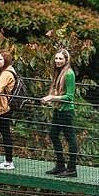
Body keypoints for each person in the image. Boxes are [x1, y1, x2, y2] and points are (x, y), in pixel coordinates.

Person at [40, 49, 78, 177]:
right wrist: (50, 99)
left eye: (60, 58)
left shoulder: (69, 74)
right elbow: (58, 92)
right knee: (53, 135)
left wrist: (51, 98)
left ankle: (72, 168)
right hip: (58, 109)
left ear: (66, 60)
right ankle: (60, 165)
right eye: (56, 58)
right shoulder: (59, 72)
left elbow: (69, 97)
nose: (57, 61)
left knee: (70, 139)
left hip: (66, 111)